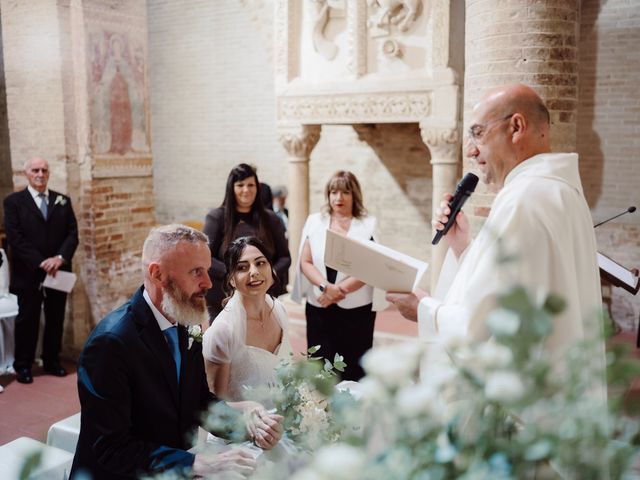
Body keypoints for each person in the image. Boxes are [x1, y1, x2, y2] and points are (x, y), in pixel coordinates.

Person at [387, 84, 605, 381]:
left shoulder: (524, 198)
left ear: (516, 126)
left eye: (478, 133)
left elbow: (479, 328)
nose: (470, 150)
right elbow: (521, 286)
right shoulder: (557, 190)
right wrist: (464, 247)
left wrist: (424, 309)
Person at [70, 225, 283, 479]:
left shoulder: (185, 320)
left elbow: (199, 402)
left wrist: (250, 427)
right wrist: (195, 464)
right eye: (196, 272)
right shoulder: (111, 343)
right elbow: (111, 448)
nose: (207, 282)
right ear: (157, 274)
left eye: (206, 270)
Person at [292, 171, 384, 381]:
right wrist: (326, 287)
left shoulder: (367, 224)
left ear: (354, 195)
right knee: (321, 367)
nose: (338, 198)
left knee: (354, 366)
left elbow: (371, 266)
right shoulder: (315, 221)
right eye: (334, 192)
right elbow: (305, 261)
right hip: (320, 305)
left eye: (345, 192)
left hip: (356, 309)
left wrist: (339, 290)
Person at [3, 157, 79, 384]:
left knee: (56, 317)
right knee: (28, 319)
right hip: (29, 272)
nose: (40, 174)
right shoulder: (14, 202)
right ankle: (23, 365)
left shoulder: (62, 200)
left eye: (44, 170)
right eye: (35, 170)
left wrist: (59, 258)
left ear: (48, 173)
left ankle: (51, 360)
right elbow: (15, 238)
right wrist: (40, 261)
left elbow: (72, 234)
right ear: (26, 173)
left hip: (58, 272)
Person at [203, 236, 292, 402]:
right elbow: (215, 407)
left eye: (260, 263)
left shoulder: (280, 310)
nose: (254, 272)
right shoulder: (223, 331)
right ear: (231, 279)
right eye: (242, 267)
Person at [204, 164, 290, 320]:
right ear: (231, 188)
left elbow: (285, 257)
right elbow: (206, 257)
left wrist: (268, 275)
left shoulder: (271, 219)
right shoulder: (216, 218)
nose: (246, 190)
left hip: (263, 296)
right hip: (224, 298)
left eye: (251, 185)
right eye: (240, 185)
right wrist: (236, 275)